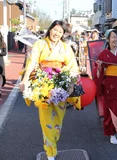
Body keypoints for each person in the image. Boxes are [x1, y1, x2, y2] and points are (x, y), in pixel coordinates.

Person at [19, 20, 79, 160]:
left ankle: (53, 142)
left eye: (60, 31)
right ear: (50, 29)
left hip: (60, 85)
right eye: (55, 29)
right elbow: (32, 63)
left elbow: (72, 66)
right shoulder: (40, 44)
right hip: (43, 85)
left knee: (58, 119)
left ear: (63, 34)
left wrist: (72, 78)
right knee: (45, 119)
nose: (57, 33)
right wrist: (25, 80)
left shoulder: (66, 47)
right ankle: (50, 152)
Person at [0, 32, 6, 96]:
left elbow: (5, 53)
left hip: (0, 60)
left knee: (1, 75)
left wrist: (0, 52)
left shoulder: (3, 44)